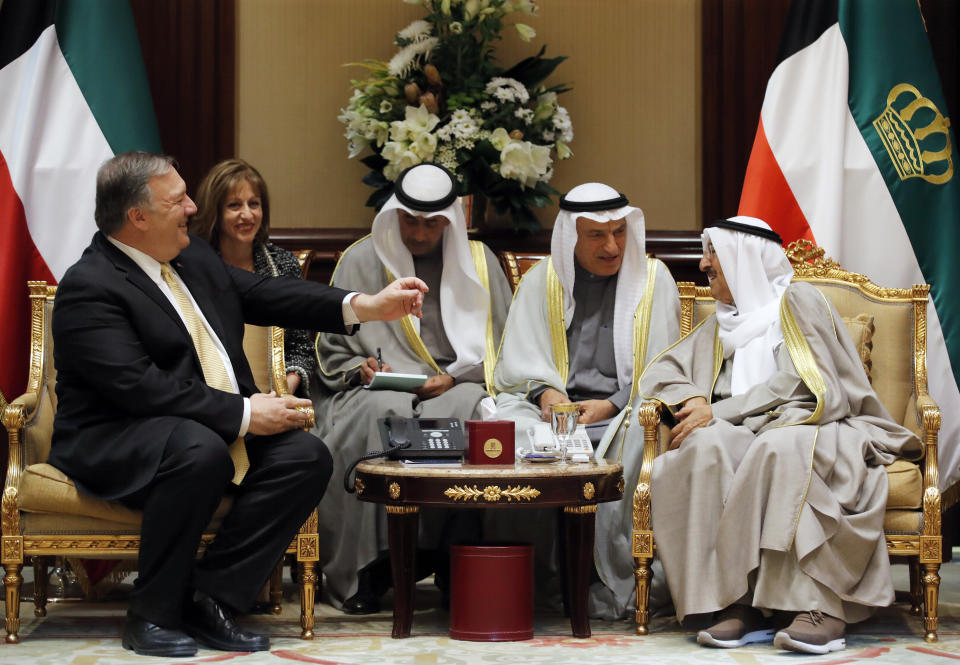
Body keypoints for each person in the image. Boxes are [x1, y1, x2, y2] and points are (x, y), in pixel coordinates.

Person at [47, 151, 427, 658]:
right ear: (137, 217)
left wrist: (364, 306)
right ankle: (152, 614)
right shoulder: (90, 286)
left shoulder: (193, 257)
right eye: (178, 199)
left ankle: (213, 597)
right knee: (199, 449)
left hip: (196, 427)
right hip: (115, 435)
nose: (190, 208)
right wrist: (247, 414)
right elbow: (139, 387)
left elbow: (267, 293)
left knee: (305, 456)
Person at [639, 216, 922, 654]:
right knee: (704, 446)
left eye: (713, 253)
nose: (703, 264)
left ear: (743, 257)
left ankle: (816, 605)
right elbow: (661, 371)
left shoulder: (797, 301)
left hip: (814, 420)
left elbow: (800, 383)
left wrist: (718, 410)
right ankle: (735, 601)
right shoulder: (721, 324)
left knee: (780, 447)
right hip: (747, 428)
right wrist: (692, 398)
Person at [314, 163, 512, 614]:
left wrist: (456, 378)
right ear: (394, 215)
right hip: (374, 389)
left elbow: (506, 350)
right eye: (410, 221)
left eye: (432, 223)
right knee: (379, 414)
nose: (419, 234)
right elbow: (331, 351)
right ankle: (367, 570)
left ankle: (454, 563)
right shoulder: (360, 259)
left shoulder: (480, 263)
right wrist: (358, 368)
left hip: (458, 382)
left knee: (472, 413)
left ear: (450, 222)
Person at [490, 182, 680, 612]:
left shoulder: (654, 281)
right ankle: (533, 578)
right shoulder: (543, 281)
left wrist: (612, 402)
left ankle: (611, 579)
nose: (612, 246)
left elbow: (663, 371)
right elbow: (517, 365)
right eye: (596, 235)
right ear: (570, 236)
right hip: (552, 411)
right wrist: (547, 392)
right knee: (509, 429)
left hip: (624, 408)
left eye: (619, 232)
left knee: (640, 433)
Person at [190, 158, 314, 396]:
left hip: (276, 398)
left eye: (254, 204)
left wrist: (281, 393)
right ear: (214, 211)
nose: (247, 215)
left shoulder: (283, 264)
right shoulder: (192, 265)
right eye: (234, 205)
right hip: (211, 400)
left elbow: (301, 349)